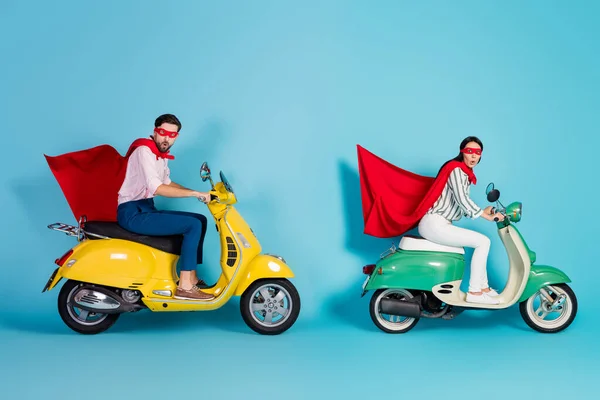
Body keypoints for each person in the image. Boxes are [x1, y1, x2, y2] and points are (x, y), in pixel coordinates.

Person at [116, 113, 215, 300]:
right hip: (132, 212)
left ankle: (191, 278)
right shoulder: (144, 151)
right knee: (192, 225)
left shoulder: (161, 155)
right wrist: (195, 194)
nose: (167, 138)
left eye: (172, 135)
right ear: (155, 131)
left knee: (199, 220)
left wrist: (197, 192)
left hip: (145, 208)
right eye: (163, 132)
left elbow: (167, 182)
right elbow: (157, 188)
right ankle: (185, 287)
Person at [417, 136, 505, 305]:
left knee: (482, 242)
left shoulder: (464, 173)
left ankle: (484, 289)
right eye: (469, 151)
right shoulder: (456, 169)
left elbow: (457, 204)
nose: (473, 156)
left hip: (440, 222)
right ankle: (475, 291)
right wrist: (485, 216)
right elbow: (462, 199)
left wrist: (483, 210)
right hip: (434, 223)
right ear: (462, 152)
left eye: (477, 152)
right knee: (483, 241)